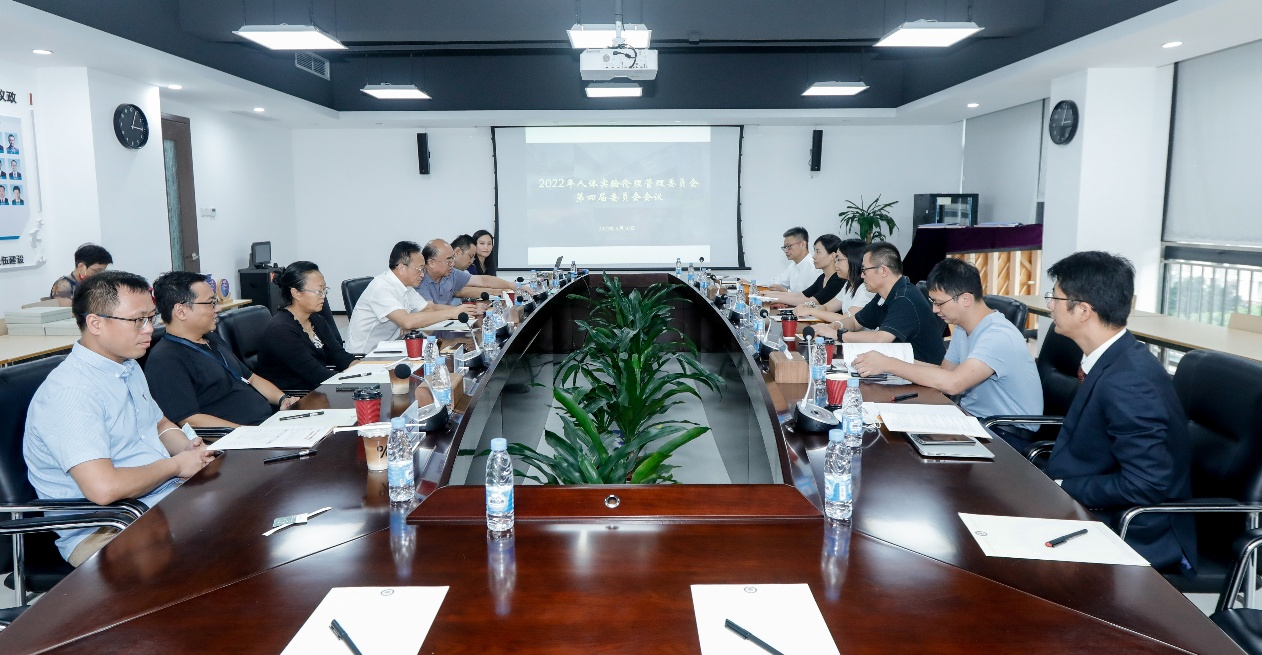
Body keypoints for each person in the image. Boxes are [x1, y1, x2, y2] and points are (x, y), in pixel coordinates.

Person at [23, 271, 215, 566]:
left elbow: (159, 423)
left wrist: (187, 447)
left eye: (151, 318)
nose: (149, 329)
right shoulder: (70, 393)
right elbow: (104, 489)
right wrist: (177, 465)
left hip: (158, 499)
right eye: (138, 320)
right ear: (95, 323)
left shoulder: (127, 365)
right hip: (108, 527)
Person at [1042, 251, 1196, 572]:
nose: (1049, 306)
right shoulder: (1114, 358)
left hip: (1136, 528)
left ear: (1083, 311)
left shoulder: (1129, 380)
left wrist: (1061, 486)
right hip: (1097, 504)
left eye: (1054, 297)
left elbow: (1146, 484)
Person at [850, 258, 1042, 444]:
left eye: (939, 303)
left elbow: (952, 383)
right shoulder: (963, 328)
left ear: (965, 299)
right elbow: (945, 371)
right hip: (972, 420)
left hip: (1005, 433)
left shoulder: (998, 335)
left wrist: (890, 364)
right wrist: (888, 360)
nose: (934, 309)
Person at [145, 271, 300, 428]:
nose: (218, 308)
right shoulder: (165, 359)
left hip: (268, 423)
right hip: (240, 437)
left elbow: (251, 378)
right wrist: (248, 434)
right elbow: (189, 420)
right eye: (211, 303)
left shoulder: (212, 339)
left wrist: (283, 399)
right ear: (181, 311)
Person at [817, 241, 946, 364]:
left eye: (864, 270)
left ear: (884, 271)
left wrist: (837, 335)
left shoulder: (905, 297)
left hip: (923, 373)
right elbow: (855, 322)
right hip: (900, 366)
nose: (862, 276)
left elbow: (881, 339)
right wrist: (833, 326)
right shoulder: (883, 295)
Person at [346, 240, 476, 354]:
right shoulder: (381, 288)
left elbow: (428, 309)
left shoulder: (406, 287)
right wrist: (451, 313)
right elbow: (407, 322)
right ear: (402, 268)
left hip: (390, 347)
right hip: (365, 356)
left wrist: (459, 311)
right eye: (419, 269)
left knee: (442, 350)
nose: (423, 275)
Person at [254, 261, 357, 393]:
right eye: (318, 291)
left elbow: (338, 354)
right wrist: (356, 382)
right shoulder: (281, 330)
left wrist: (362, 369)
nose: (323, 296)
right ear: (296, 293)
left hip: (318, 389)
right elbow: (316, 375)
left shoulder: (316, 319)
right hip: (298, 396)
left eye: (324, 290)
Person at [794, 238, 874, 323]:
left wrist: (811, 311)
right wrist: (808, 307)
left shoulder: (865, 288)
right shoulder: (849, 284)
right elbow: (826, 307)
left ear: (853, 260)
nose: (835, 264)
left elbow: (846, 319)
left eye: (839, 260)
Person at [417, 239, 512, 306]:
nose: (453, 264)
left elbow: (482, 280)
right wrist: (463, 310)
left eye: (452, 259)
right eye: (448, 261)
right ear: (431, 263)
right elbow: (430, 309)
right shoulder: (419, 278)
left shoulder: (452, 273)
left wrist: (513, 285)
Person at [763, 234, 846, 308]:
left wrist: (773, 297)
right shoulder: (822, 277)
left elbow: (811, 301)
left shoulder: (838, 280)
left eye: (818, 252)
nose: (814, 256)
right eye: (814, 251)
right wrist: (770, 294)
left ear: (832, 256)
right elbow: (802, 295)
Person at [767, 227, 817, 293]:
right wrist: (753, 283)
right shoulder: (792, 266)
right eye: (785, 247)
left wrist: (786, 292)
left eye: (789, 246)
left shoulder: (814, 267)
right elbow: (775, 283)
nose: (786, 251)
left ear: (803, 244)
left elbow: (810, 297)